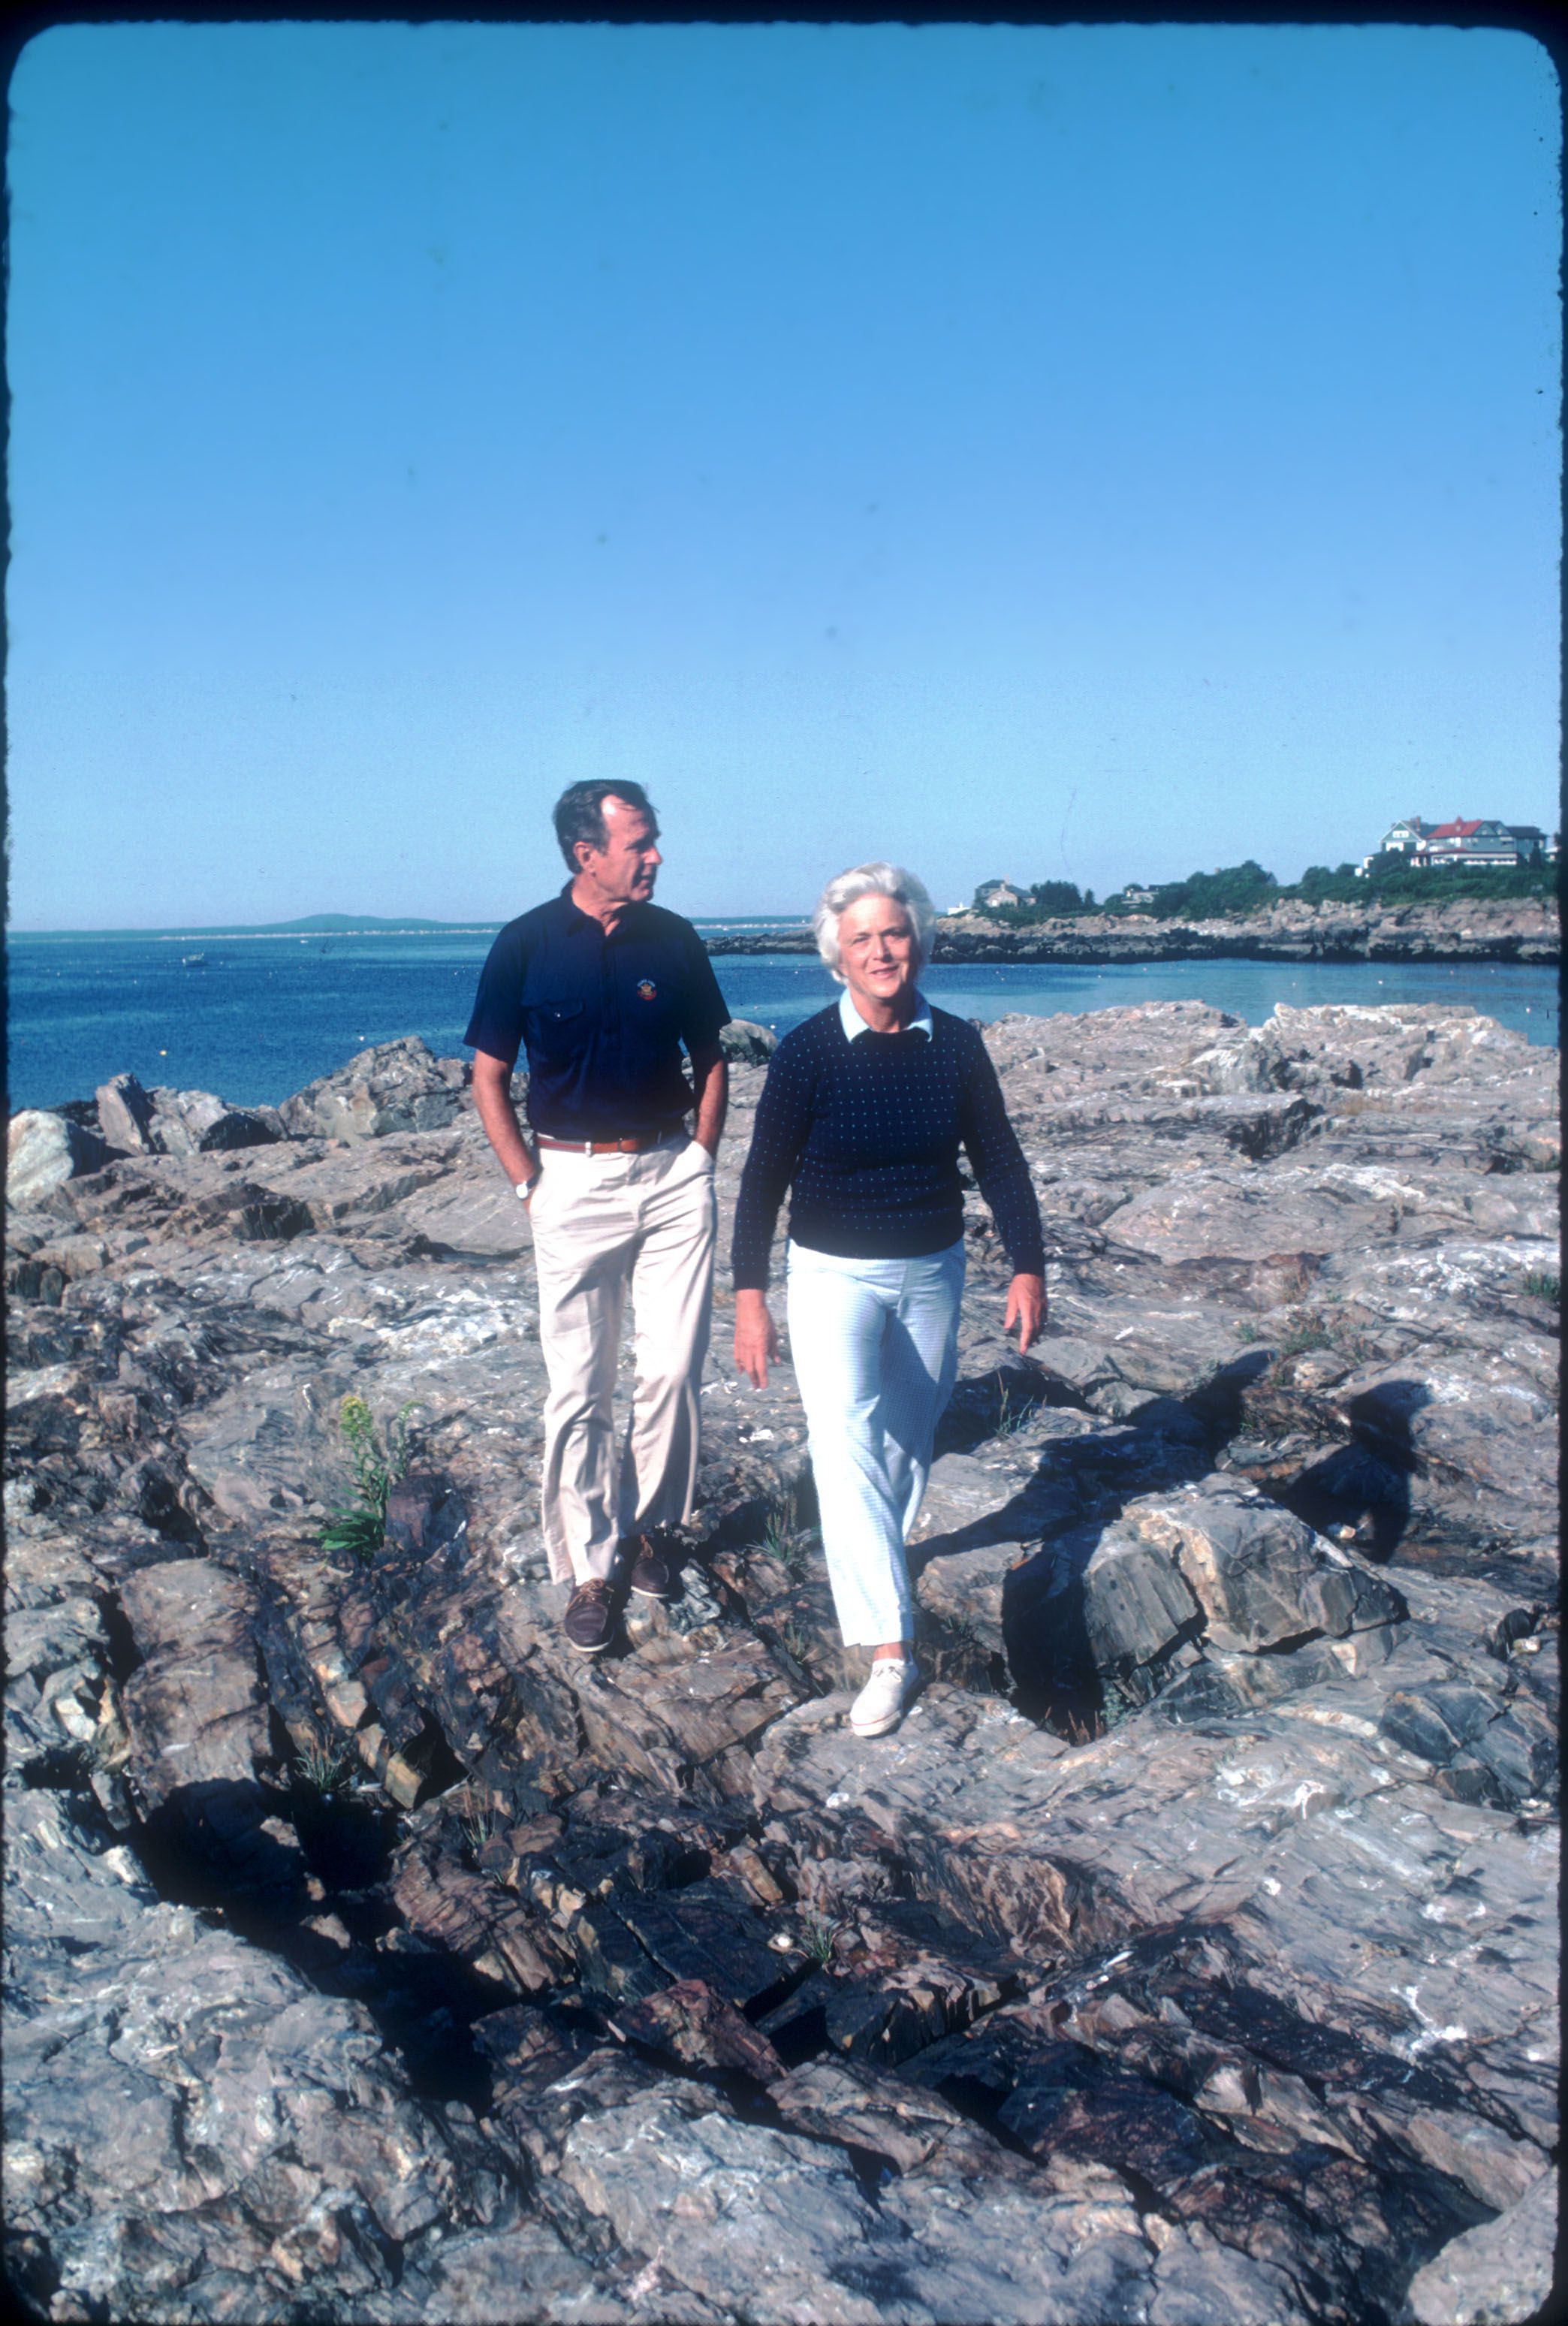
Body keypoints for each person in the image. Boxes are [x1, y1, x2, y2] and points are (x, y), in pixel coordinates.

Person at [731, 861, 1045, 1737]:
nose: (880, 950)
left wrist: (1028, 1265)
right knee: (844, 1442)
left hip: (932, 1271)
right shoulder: (806, 1052)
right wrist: (749, 1294)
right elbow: (762, 1179)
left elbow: (1002, 1161)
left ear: (919, 942)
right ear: (837, 953)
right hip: (831, 1275)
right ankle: (888, 1649)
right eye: (861, 937)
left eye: (894, 933)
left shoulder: (958, 1046)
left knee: (909, 1437)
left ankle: (877, 1563)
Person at [466, 781, 730, 1655]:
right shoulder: (524, 946)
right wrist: (527, 1186)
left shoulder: (675, 938)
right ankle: (589, 1566)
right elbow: (488, 1078)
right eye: (640, 842)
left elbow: (713, 1056)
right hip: (570, 1185)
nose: (655, 855)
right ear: (588, 854)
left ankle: (652, 1532)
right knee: (580, 1389)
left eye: (653, 840)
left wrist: (700, 1156)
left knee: (671, 1371)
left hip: (670, 1175)